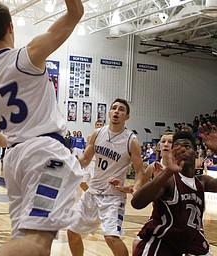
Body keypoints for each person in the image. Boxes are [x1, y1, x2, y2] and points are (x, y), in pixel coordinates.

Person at [0, 1, 84, 255]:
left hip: (13, 159)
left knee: (29, 244)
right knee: (37, 242)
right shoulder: (29, 54)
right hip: (44, 152)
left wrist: (16, 139)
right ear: (10, 26)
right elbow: (76, 13)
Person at [67, 98, 145, 256]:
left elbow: (139, 172)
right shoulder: (97, 133)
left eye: (121, 109)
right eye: (114, 108)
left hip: (113, 196)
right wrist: (73, 160)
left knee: (111, 238)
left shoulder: (132, 141)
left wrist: (136, 187)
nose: (117, 111)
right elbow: (85, 160)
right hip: (93, 192)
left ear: (127, 117)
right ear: (109, 113)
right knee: (72, 232)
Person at [131, 129, 217, 256]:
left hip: (191, 241)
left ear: (196, 154)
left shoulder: (202, 181)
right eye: (177, 146)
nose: (182, 150)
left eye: (187, 146)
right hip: (164, 242)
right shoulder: (169, 180)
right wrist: (168, 172)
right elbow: (136, 203)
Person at [132, 131, 174, 253]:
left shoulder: (181, 167)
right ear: (159, 146)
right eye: (163, 141)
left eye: (170, 142)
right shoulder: (152, 167)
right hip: (159, 217)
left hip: (179, 217)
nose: (166, 144)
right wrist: (124, 188)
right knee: (137, 243)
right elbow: (141, 190)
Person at [80, 120, 104, 191]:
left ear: (103, 126)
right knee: (81, 182)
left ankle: (92, 197)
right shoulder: (90, 136)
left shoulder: (105, 138)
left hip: (97, 163)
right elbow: (87, 149)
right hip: (89, 162)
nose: (99, 126)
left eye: (101, 125)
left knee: (93, 183)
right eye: (98, 125)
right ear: (95, 126)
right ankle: (88, 194)